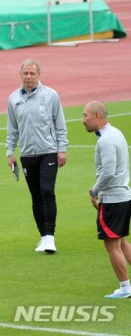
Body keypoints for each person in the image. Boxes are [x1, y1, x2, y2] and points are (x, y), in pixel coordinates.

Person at [6, 59, 68, 253]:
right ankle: (43, 237)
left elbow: (60, 124)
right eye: (25, 73)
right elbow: (12, 129)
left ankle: (50, 237)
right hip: (27, 154)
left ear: (38, 75)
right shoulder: (14, 99)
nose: (29, 77)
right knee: (35, 196)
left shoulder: (51, 95)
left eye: (32, 73)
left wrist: (62, 148)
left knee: (47, 191)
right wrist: (10, 151)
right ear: (21, 75)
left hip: (48, 151)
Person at [82, 101, 131, 299]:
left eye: (85, 115)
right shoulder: (116, 133)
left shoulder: (106, 140)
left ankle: (125, 288)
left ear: (96, 116)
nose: (83, 120)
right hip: (123, 196)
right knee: (122, 242)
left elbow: (108, 172)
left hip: (113, 199)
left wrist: (94, 190)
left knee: (111, 246)